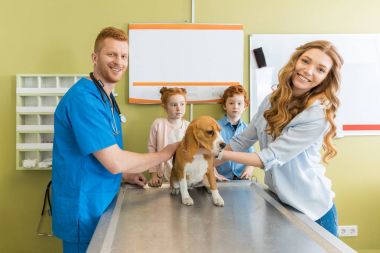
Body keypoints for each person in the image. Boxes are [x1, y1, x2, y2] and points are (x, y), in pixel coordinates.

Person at [52, 27, 178, 253]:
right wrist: (166, 153)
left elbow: (101, 158)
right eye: (111, 54)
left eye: (124, 56)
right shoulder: (84, 99)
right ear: (94, 57)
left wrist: (124, 176)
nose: (118, 61)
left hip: (101, 203)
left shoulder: (107, 100)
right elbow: (115, 161)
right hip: (84, 210)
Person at [216, 40, 343, 236]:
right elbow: (242, 140)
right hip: (282, 203)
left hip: (313, 209)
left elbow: (267, 158)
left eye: (320, 69)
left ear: (326, 78)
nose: (308, 71)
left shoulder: (317, 114)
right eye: (305, 61)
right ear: (295, 61)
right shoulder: (271, 100)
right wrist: (204, 164)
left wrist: (216, 153)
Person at [147, 87, 190, 187]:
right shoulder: (158, 124)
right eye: (174, 105)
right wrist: (153, 175)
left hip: (183, 177)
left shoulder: (189, 126)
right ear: (164, 106)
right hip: (162, 177)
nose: (179, 108)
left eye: (182, 104)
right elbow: (151, 149)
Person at [215, 85, 254, 180]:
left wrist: (249, 169)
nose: (235, 106)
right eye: (231, 103)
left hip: (241, 178)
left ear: (245, 106)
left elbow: (251, 154)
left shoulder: (248, 129)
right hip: (221, 177)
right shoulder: (216, 127)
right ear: (225, 105)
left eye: (239, 103)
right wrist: (215, 174)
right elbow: (210, 155)